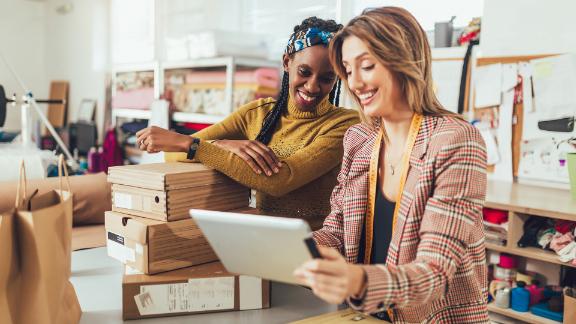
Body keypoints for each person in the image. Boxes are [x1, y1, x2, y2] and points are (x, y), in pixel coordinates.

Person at [294, 7, 489, 323]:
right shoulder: (359, 139)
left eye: (367, 66)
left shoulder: (455, 141)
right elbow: (338, 230)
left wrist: (357, 280)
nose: (355, 82)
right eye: (347, 69)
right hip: (370, 315)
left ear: (405, 62)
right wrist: (298, 248)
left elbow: (435, 273)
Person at [135, 17, 359, 230]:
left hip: (316, 249)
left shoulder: (345, 125)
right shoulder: (257, 113)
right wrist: (222, 144)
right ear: (286, 62)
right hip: (259, 241)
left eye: (326, 78)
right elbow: (173, 153)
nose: (312, 87)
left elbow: (281, 180)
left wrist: (196, 146)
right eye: (304, 72)